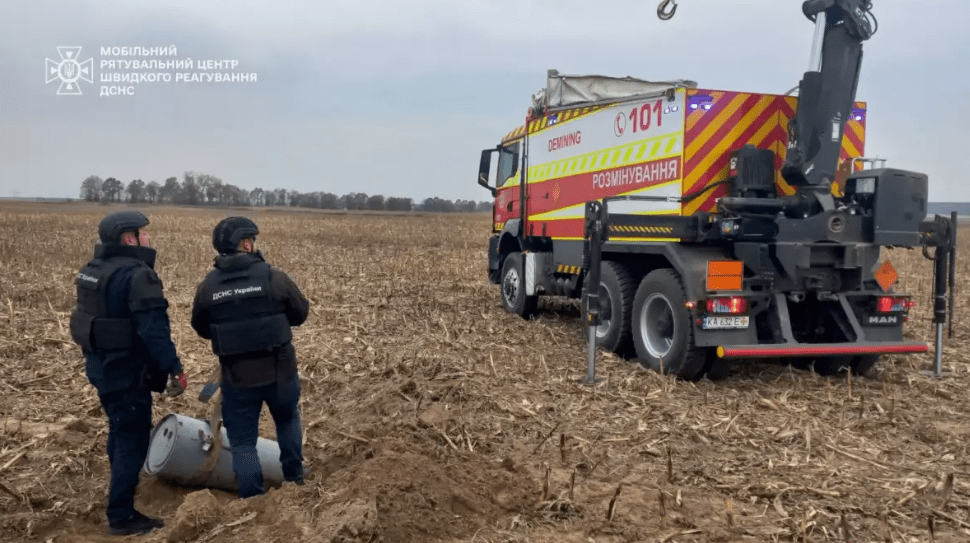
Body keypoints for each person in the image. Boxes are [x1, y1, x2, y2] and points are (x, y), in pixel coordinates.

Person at [69, 210, 186, 536]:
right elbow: (154, 331)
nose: (147, 238)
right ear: (129, 238)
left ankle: (120, 485)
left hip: (100, 368)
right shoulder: (138, 276)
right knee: (132, 440)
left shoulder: (92, 271)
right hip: (126, 372)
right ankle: (122, 515)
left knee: (119, 429)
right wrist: (173, 368)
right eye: (142, 233)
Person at [190, 217, 309, 498]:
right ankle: (295, 481)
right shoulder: (274, 278)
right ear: (246, 243)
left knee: (243, 442)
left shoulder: (208, 287)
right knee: (287, 420)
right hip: (280, 371)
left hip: (237, 377)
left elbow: (201, 327)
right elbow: (300, 313)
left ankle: (251, 499)